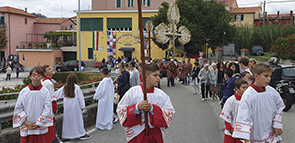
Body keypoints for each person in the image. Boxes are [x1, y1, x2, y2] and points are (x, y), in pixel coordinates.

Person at [117, 63, 175, 143]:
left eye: (159, 75)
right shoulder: (133, 92)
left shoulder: (161, 95)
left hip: (155, 135)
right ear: (145, 77)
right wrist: (136, 108)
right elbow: (121, 110)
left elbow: (170, 112)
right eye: (155, 75)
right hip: (136, 136)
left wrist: (153, 109)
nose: (158, 78)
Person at [232, 63, 285, 143]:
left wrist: (277, 124)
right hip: (256, 136)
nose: (269, 79)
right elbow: (244, 117)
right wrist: (246, 139)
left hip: (271, 135)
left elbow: (279, 106)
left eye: (270, 76)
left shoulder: (271, 91)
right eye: (266, 76)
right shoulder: (248, 95)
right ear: (256, 76)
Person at [13, 67, 53, 143]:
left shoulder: (45, 92)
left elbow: (47, 109)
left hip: (40, 126)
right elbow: (18, 108)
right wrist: (26, 123)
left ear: (42, 77)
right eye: (34, 75)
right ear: (30, 76)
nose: (36, 77)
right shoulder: (24, 92)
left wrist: (38, 123)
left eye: (38, 75)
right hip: (26, 126)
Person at [55, 73, 92, 140]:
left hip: (67, 107)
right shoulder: (77, 87)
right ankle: (81, 134)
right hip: (76, 107)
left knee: (68, 121)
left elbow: (56, 95)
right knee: (78, 121)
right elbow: (81, 98)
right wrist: (82, 106)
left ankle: (67, 135)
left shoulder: (65, 87)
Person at [220, 78, 248, 143]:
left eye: (247, 87)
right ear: (237, 88)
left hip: (244, 132)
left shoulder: (248, 100)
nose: (246, 89)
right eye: (243, 87)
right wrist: (231, 130)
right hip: (232, 132)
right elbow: (226, 116)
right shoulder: (231, 101)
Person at [41, 65, 59, 143]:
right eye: (49, 69)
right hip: (49, 110)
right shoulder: (48, 83)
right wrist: (55, 108)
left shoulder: (44, 81)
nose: (52, 69)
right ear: (45, 73)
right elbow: (52, 97)